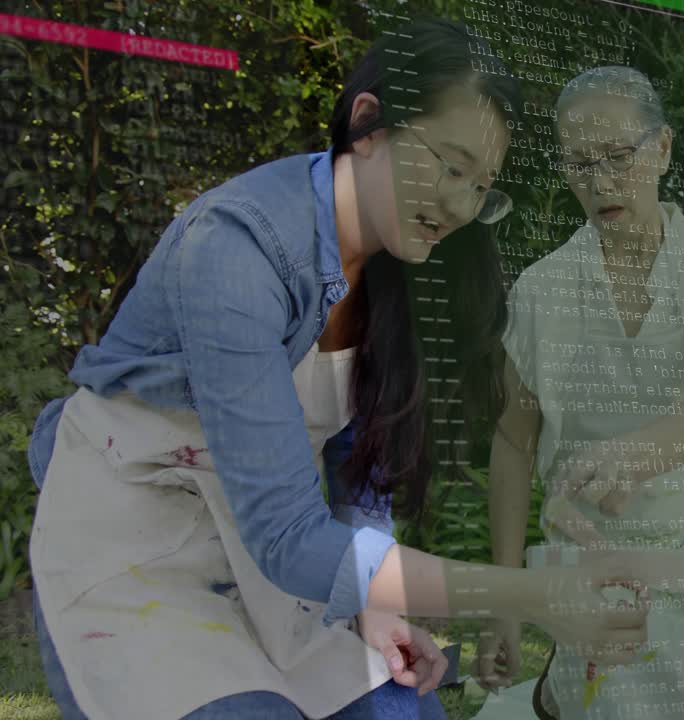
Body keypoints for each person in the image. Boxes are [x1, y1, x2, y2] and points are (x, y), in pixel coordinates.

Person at [26, 20, 648, 720]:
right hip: (135, 545)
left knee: (403, 710)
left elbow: (360, 467)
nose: (459, 207)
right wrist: (533, 595)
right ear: (368, 124)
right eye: (449, 167)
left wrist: (374, 607)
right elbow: (291, 538)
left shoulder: (398, 268)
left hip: (272, 557)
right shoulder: (236, 251)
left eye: (481, 186)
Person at [478, 66, 684, 720]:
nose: (600, 181)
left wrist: (617, 459)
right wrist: (504, 601)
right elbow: (511, 441)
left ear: (662, 149)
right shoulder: (540, 291)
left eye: (618, 157)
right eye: (579, 163)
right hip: (593, 570)